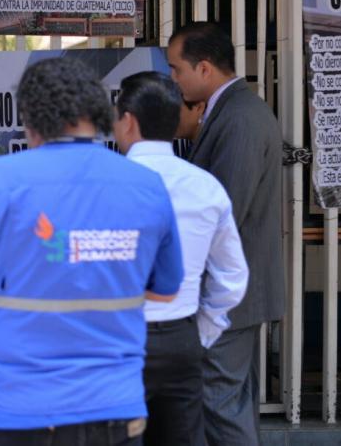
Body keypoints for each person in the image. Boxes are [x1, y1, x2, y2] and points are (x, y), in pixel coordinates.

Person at [0, 57, 184, 446]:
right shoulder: (147, 185)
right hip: (115, 409)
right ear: (98, 112)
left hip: (17, 409)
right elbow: (167, 289)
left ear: (30, 117)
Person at [113, 71, 249, 446]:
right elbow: (232, 275)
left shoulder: (99, 186)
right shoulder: (206, 187)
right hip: (180, 339)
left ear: (127, 120)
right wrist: (200, 331)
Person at [167, 22, 284, 446]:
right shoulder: (233, 111)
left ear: (203, 68)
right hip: (234, 293)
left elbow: (224, 213)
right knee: (230, 404)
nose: (173, 81)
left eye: (176, 70)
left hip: (228, 295)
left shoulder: (239, 118)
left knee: (219, 405)